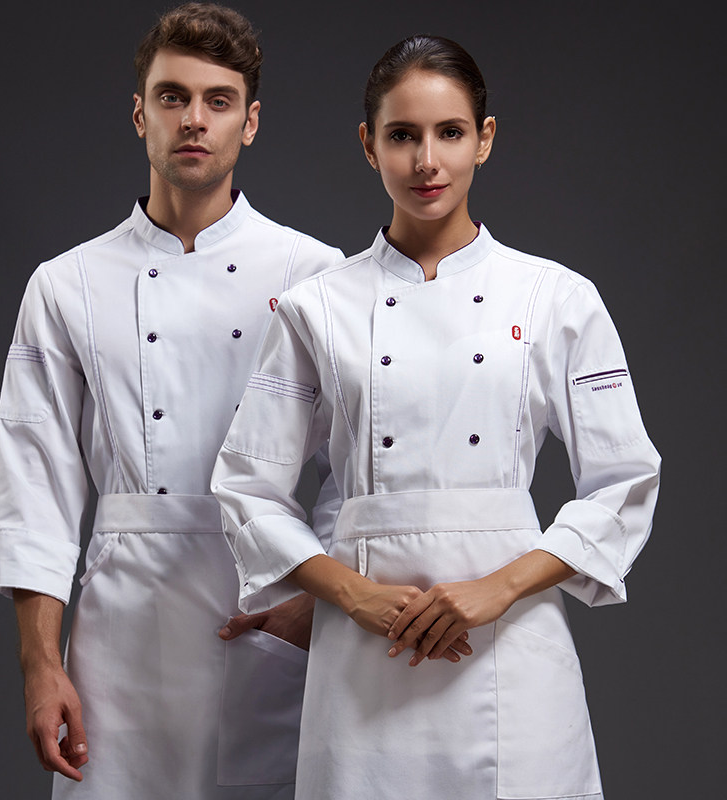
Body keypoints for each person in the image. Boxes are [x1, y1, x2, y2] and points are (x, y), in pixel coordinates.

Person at [212, 34, 661, 799]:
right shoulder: (317, 308)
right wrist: (352, 594)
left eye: (450, 132)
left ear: (484, 139)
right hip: (363, 652)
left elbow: (626, 481)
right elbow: (248, 485)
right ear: (369, 145)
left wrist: (499, 588)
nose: (427, 161)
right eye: (403, 136)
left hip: (510, 644)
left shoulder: (555, 297)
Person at [0, 4, 343, 798]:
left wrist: (316, 607)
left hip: (264, 608)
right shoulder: (66, 284)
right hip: (122, 630)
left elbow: (357, 467)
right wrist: (40, 665)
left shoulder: (316, 275)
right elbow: (34, 489)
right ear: (139, 114)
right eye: (173, 97)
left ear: (250, 122)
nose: (194, 119)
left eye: (219, 100)